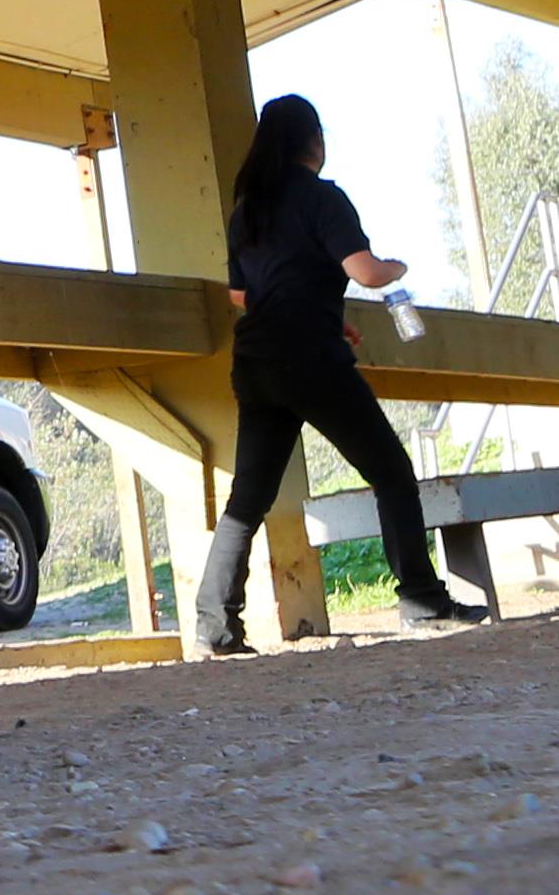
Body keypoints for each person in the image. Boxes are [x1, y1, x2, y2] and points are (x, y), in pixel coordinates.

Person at [199, 93, 494, 651]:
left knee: (250, 496)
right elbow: (366, 272)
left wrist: (321, 317)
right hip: (309, 360)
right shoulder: (322, 198)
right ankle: (423, 601)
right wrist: (397, 268)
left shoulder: (248, 211)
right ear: (313, 141)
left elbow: (243, 295)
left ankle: (214, 624)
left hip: (258, 362)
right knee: (391, 471)